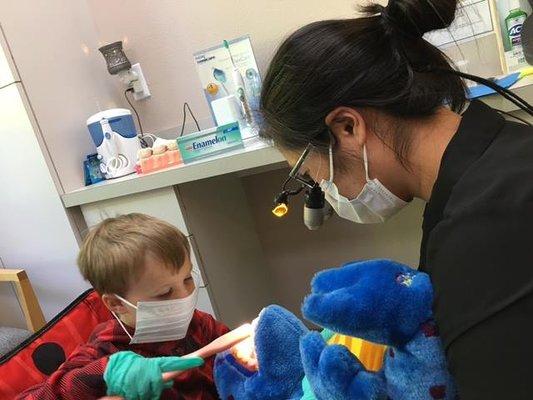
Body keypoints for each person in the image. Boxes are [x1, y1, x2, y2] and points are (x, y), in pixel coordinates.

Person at [259, 0, 533, 399]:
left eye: (312, 176)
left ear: (348, 126)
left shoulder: (483, 229)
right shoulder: (499, 152)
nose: (324, 191)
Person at [18, 213, 229, 400]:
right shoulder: (103, 350)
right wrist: (106, 373)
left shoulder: (199, 325)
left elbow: (236, 354)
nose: (185, 296)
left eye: (187, 279)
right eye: (165, 293)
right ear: (116, 303)